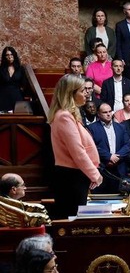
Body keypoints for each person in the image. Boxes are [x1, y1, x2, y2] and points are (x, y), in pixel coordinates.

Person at [49, 75, 102, 218]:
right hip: (71, 178)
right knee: (73, 223)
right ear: (70, 93)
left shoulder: (67, 115)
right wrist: (95, 175)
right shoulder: (64, 116)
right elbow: (78, 152)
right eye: (82, 90)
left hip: (75, 176)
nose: (87, 93)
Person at [90, 102, 130, 193]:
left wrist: (117, 157)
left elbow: (127, 145)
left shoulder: (121, 127)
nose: (108, 114)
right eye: (105, 112)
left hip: (119, 169)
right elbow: (92, 147)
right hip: (102, 168)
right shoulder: (91, 128)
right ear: (98, 114)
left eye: (110, 111)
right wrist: (109, 157)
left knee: (120, 198)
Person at [0, 47, 26, 111]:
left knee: (18, 118)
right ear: (4, 57)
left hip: (17, 96)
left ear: (14, 55)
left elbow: (24, 84)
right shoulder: (1, 69)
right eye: (7, 55)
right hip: (3, 97)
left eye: (11, 54)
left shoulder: (20, 69)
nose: (10, 57)